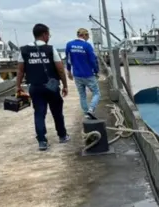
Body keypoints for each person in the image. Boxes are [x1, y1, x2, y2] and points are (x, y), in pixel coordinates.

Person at [16, 23, 69, 151]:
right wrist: (65, 85)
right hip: (51, 87)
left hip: (35, 87)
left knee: (39, 113)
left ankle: (42, 141)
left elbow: (20, 70)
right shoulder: (50, 49)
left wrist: (18, 86)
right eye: (48, 34)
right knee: (57, 112)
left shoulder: (24, 50)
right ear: (44, 34)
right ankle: (62, 135)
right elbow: (60, 69)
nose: (49, 37)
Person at [65, 28, 100, 119]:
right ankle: (91, 109)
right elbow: (93, 60)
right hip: (88, 74)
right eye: (87, 36)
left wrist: (69, 71)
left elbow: (68, 60)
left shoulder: (69, 45)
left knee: (82, 95)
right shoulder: (87, 46)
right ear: (84, 35)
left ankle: (86, 113)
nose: (88, 38)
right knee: (96, 93)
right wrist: (96, 70)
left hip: (77, 74)